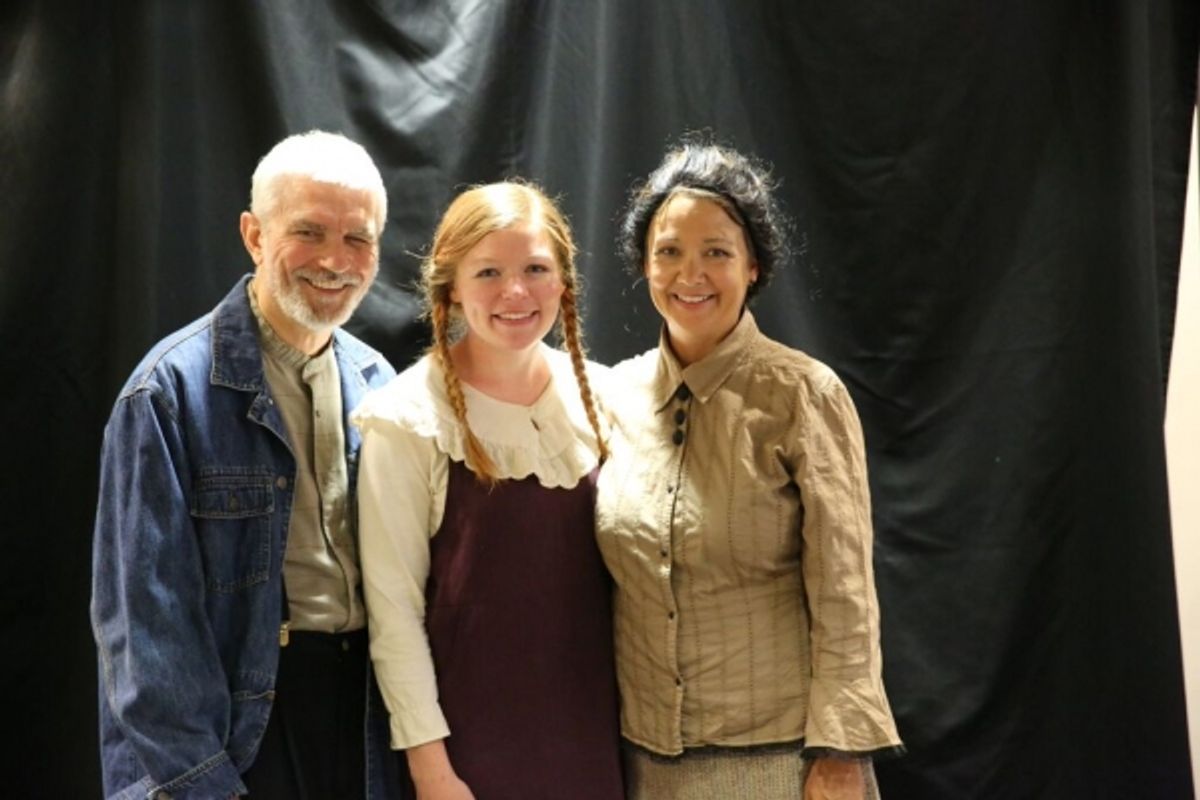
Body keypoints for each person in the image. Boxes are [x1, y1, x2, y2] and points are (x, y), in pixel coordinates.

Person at [90, 130, 401, 800]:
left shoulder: (379, 380)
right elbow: (144, 637)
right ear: (254, 236)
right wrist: (208, 785)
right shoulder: (167, 395)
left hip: (364, 722)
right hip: (239, 730)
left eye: (359, 238)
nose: (336, 261)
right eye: (310, 232)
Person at [595, 142, 904, 800]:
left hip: (781, 760)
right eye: (669, 250)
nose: (691, 273)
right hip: (642, 762)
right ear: (644, 263)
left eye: (717, 251)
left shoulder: (802, 395)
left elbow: (845, 593)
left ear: (753, 265)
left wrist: (842, 750)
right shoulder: (610, 398)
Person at [352, 181, 624, 800]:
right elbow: (393, 614)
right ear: (451, 286)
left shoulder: (608, 399)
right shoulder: (406, 418)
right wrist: (432, 771)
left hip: (597, 742)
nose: (516, 292)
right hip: (470, 754)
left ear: (563, 281)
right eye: (489, 272)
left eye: (535, 268)